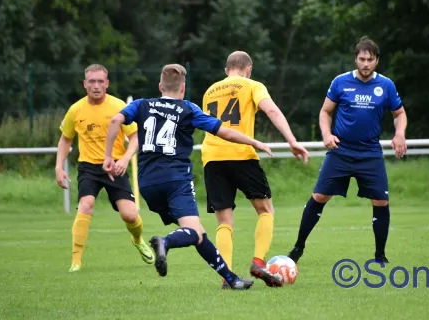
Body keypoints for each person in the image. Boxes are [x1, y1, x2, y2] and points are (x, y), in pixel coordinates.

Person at [103, 64, 274, 290]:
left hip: (148, 184)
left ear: (160, 86)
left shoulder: (141, 105)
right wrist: (253, 141)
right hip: (176, 181)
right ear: (183, 88)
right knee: (193, 232)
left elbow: (115, 121)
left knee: (198, 233)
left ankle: (232, 280)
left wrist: (108, 156)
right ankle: (165, 242)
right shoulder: (188, 109)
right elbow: (224, 131)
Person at [287, 36, 407, 265]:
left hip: (370, 153)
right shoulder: (340, 82)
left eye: (370, 60)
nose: (365, 64)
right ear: (355, 59)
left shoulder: (386, 85)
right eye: (361, 59)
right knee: (319, 196)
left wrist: (399, 133)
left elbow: (399, 113)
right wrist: (326, 134)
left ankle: (380, 256)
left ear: (377, 61)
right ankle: (298, 247)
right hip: (340, 151)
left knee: (380, 201)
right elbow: (325, 112)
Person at [200, 51, 310, 288]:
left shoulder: (209, 91)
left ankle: (226, 277)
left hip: (212, 156)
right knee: (265, 209)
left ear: (226, 70)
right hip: (241, 154)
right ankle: (258, 262)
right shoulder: (252, 85)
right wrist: (292, 140)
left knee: (224, 220)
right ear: (248, 69)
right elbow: (271, 111)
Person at [55, 64, 155, 273]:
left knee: (129, 215)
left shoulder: (119, 107)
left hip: (115, 167)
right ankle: (76, 261)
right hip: (88, 167)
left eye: (101, 81)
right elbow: (65, 140)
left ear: (107, 83)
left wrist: (125, 159)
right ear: (85, 84)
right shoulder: (76, 110)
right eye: (92, 81)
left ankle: (137, 239)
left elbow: (135, 138)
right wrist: (58, 167)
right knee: (86, 205)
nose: (96, 86)